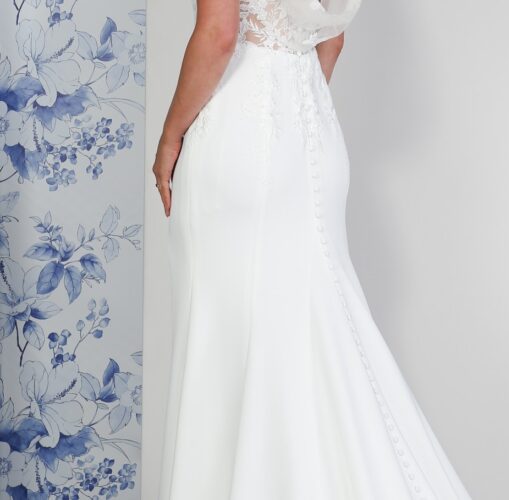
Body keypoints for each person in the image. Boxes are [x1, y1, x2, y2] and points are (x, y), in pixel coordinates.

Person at [150, 1, 472, 498]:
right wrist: (295, 112)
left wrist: (171, 136)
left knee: (225, 341)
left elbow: (218, 35)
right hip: (312, 134)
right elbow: (332, 40)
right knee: (307, 329)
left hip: (241, 132)